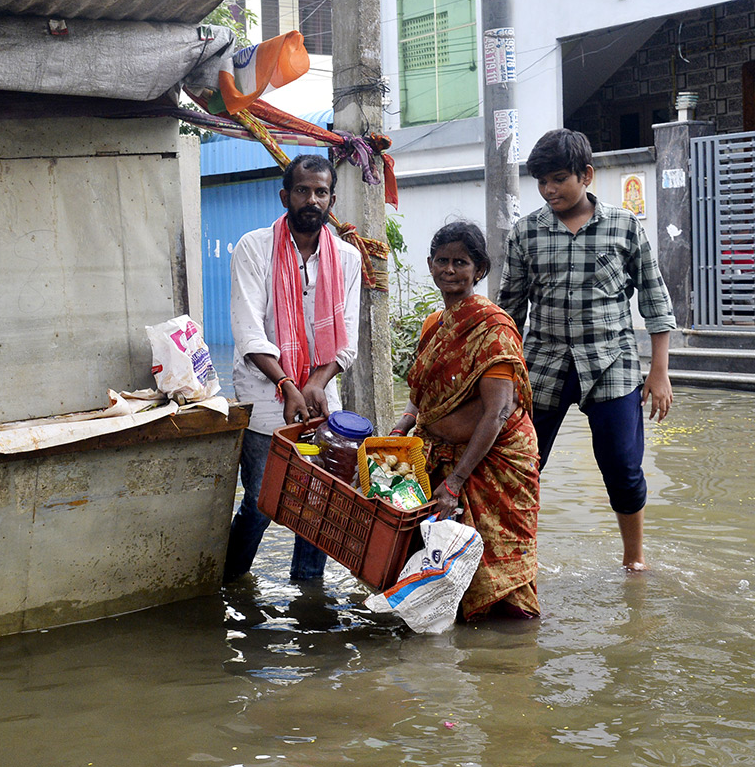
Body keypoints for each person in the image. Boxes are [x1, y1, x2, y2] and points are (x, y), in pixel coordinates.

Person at [497, 128, 676, 572]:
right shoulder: (526, 233)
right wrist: (497, 378)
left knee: (623, 468)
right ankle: (517, 560)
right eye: (541, 181)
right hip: (541, 366)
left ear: (587, 175)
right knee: (520, 466)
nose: (549, 190)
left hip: (611, 364)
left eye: (559, 178)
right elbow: (508, 311)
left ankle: (633, 560)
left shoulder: (625, 226)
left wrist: (659, 372)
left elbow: (654, 299)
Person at [390, 221, 540, 620]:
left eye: (461, 262)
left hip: (494, 462)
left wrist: (455, 481)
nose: (450, 270)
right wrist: (403, 425)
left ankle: (509, 654)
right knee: (438, 554)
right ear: (430, 264)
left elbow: (499, 411)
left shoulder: (493, 328)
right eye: (442, 261)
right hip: (438, 454)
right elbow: (422, 395)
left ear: (479, 269)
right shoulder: (432, 326)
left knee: (501, 565)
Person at [223, 154, 363, 584]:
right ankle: (228, 580)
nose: (311, 199)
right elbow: (249, 332)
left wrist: (314, 384)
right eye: (302, 190)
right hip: (266, 400)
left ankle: (309, 594)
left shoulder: (347, 258)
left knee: (318, 505)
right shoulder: (254, 247)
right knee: (262, 503)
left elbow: (346, 342)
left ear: (332, 199)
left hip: (320, 399)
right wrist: (287, 385)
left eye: (321, 192)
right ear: (285, 195)